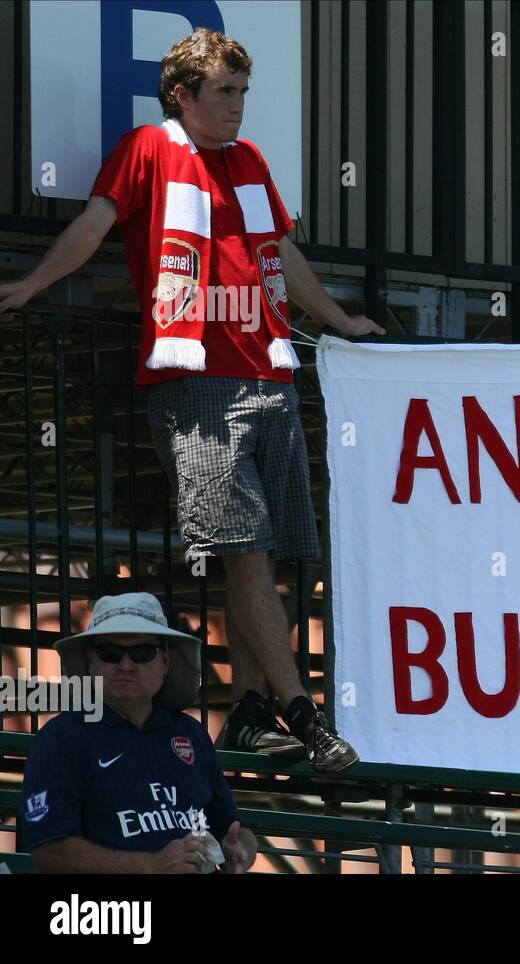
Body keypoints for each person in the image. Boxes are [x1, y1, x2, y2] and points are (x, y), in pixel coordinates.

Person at [0, 28, 379, 770]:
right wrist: (33, 285)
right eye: (225, 93)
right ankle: (305, 714)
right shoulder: (149, 148)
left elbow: (283, 255)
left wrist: (336, 320)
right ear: (183, 95)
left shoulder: (251, 163)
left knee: (265, 560)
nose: (238, 108)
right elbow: (93, 226)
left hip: (269, 374)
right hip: (195, 381)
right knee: (243, 551)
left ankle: (248, 711)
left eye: (243, 93)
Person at [21, 593, 256, 874]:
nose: (126, 665)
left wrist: (240, 851)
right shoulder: (62, 738)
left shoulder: (191, 733)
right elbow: (50, 853)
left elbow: (233, 829)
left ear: (166, 660)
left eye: (143, 653)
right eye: (110, 653)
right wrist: (152, 865)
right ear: (90, 659)